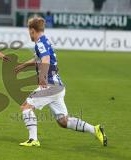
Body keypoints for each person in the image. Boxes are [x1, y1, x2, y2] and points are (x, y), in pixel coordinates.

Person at [14, 16, 107, 147]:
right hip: (58, 86)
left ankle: (33, 139)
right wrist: (24, 65)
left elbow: (45, 59)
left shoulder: (40, 43)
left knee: (26, 107)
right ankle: (95, 129)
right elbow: (40, 58)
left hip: (50, 85)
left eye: (29, 30)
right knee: (63, 121)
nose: (29, 33)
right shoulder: (45, 41)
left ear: (32, 30)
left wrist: (42, 78)